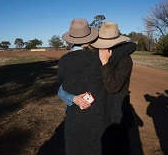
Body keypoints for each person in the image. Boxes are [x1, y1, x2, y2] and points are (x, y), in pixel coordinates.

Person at [58, 20, 136, 155]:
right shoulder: (101, 57)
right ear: (91, 37)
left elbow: (61, 87)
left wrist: (73, 98)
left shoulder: (64, 60)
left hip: (74, 119)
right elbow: (129, 47)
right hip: (104, 117)